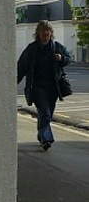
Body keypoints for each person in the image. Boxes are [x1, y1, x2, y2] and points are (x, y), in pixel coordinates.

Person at [17, 20, 70, 150]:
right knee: (44, 113)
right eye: (43, 31)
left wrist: (61, 58)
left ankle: (42, 135)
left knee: (47, 114)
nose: (45, 33)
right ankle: (46, 139)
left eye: (48, 31)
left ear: (51, 33)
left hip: (53, 88)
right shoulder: (31, 49)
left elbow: (68, 59)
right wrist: (12, 83)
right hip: (37, 87)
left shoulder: (57, 47)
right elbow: (21, 67)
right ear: (38, 33)